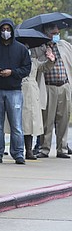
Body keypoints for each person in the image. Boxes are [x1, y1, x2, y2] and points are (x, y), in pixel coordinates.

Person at [0, 19, 31, 164]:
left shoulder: (21, 49)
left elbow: (26, 68)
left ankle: (18, 154)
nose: (5, 32)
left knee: (16, 125)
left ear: (12, 31)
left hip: (14, 90)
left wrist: (12, 72)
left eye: (8, 29)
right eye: (3, 29)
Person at [35, 24, 72, 158]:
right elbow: (38, 67)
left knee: (64, 118)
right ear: (46, 33)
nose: (56, 34)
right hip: (48, 86)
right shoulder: (41, 48)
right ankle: (44, 148)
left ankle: (62, 148)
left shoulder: (64, 45)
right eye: (53, 33)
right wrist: (46, 55)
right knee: (47, 119)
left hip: (64, 85)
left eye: (58, 32)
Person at [23, 44, 46, 160]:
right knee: (19, 123)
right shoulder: (16, 59)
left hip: (32, 92)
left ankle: (29, 150)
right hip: (19, 90)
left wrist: (51, 59)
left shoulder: (34, 61)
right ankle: (17, 150)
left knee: (30, 122)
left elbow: (44, 67)